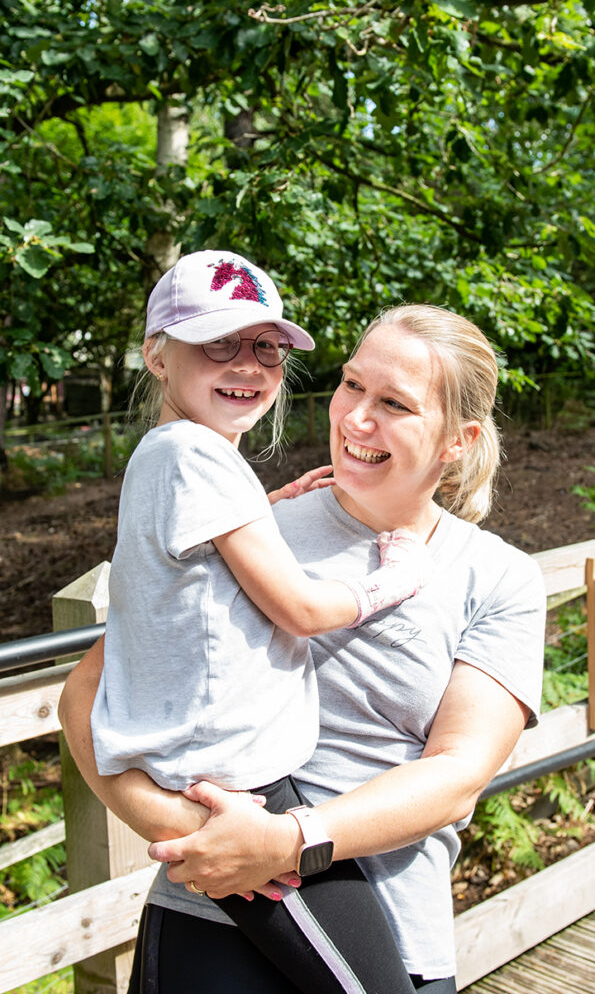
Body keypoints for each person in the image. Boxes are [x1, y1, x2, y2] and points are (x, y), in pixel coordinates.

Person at [59, 302, 546, 994]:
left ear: (458, 439)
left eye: (394, 404)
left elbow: (456, 775)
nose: (354, 419)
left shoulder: (497, 576)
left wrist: (285, 842)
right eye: (350, 385)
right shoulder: (248, 525)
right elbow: (86, 692)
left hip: (390, 928)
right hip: (211, 912)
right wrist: (178, 828)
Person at [80, 249, 431, 994]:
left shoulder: (168, 454)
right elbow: (300, 612)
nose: (248, 364)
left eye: (266, 347)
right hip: (243, 790)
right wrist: (388, 581)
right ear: (155, 355)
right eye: (218, 343)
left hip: (208, 772)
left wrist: (260, 510)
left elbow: (188, 568)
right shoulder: (196, 456)